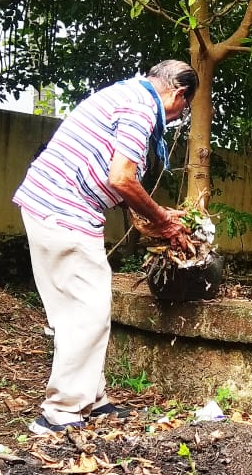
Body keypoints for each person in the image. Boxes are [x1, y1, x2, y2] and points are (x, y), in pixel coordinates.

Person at [13, 60, 197, 435]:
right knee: (89, 313)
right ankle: (60, 412)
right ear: (179, 94)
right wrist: (163, 220)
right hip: (65, 210)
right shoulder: (142, 108)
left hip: (49, 203)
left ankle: (93, 398)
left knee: (79, 310)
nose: (180, 116)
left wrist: (143, 213)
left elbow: (108, 170)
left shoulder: (126, 94)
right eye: (185, 107)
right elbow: (121, 177)